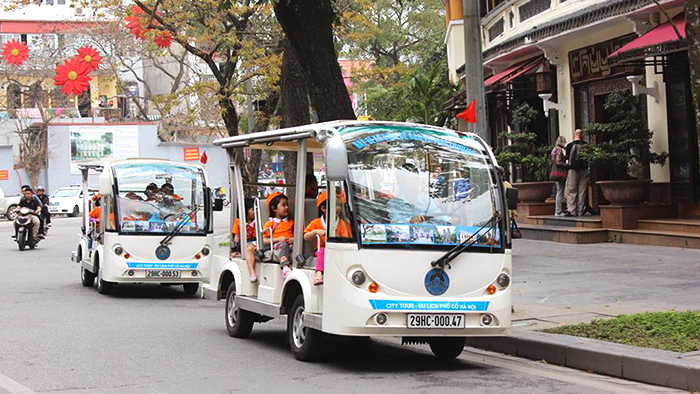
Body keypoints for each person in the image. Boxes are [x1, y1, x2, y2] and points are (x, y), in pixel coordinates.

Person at [262, 192, 295, 279]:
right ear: (274, 208)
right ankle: (285, 266)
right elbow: (265, 240)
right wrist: (279, 239)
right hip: (278, 244)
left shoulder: (291, 222)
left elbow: (297, 236)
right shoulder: (270, 223)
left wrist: (293, 239)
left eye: (287, 205)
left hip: (291, 243)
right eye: (283, 205)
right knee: (284, 245)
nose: (287, 207)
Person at [304, 192, 328, 286]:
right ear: (323, 208)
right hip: (320, 249)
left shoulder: (342, 223)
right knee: (322, 251)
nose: (337, 208)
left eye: (338, 205)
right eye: (335, 205)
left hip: (336, 249)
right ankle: (318, 274)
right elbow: (305, 236)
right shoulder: (316, 223)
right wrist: (316, 232)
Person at [232, 198, 258, 283]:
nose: (255, 212)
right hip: (245, 243)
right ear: (245, 210)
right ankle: (252, 273)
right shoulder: (238, 222)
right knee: (249, 249)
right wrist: (234, 250)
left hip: (256, 242)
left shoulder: (257, 222)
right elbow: (236, 237)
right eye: (253, 209)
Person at [565, 129, 589, 217]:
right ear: (582, 135)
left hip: (572, 170)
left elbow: (567, 157)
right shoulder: (586, 145)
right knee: (582, 190)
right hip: (584, 170)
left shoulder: (569, 146)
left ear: (574, 135)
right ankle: (580, 210)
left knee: (572, 190)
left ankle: (572, 210)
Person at [550, 136, 568, 216]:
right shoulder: (559, 150)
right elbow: (558, 162)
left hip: (555, 173)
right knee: (560, 191)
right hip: (560, 173)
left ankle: (557, 210)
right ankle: (558, 211)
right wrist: (566, 164)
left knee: (558, 191)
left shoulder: (554, 149)